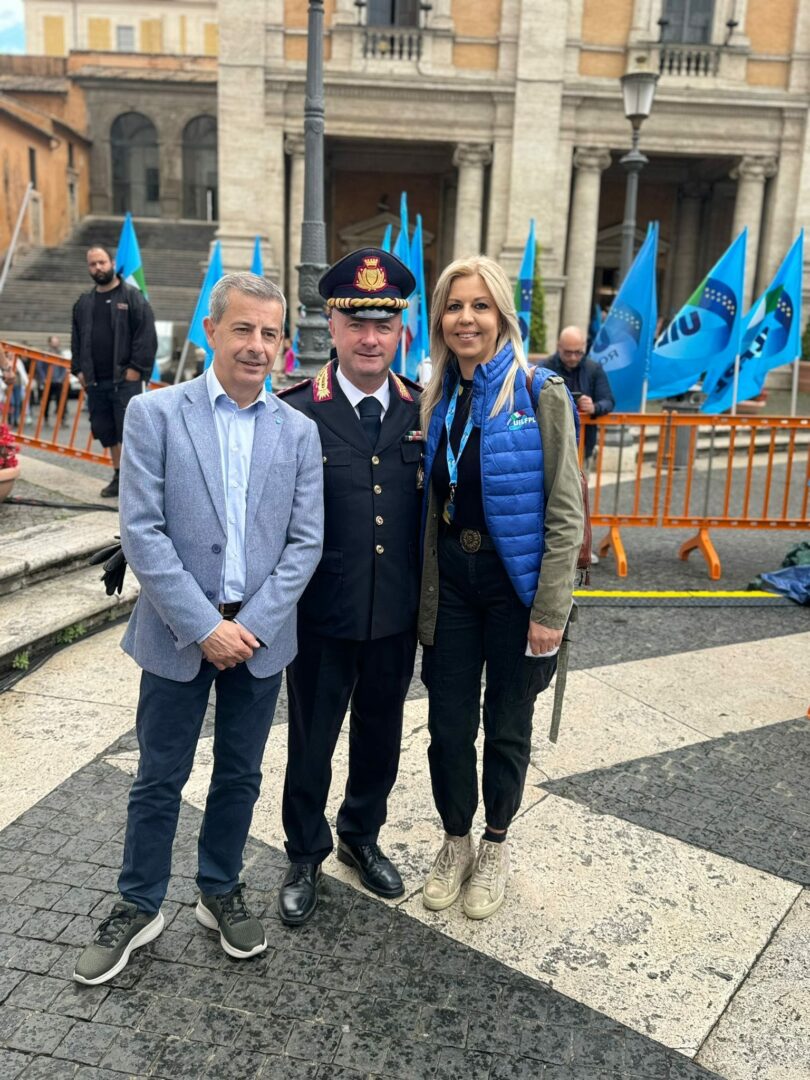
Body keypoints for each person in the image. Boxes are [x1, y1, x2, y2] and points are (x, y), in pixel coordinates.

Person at [72, 273, 323, 985]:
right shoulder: (155, 415)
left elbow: (305, 542)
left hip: (261, 638)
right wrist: (204, 626)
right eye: (243, 329)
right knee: (159, 776)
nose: (257, 346)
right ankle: (138, 903)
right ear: (211, 331)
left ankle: (219, 889)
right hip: (176, 632)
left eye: (270, 333)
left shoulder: (298, 432)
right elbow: (142, 532)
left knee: (239, 774)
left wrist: (253, 625)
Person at [418, 256, 584, 920]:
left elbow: (566, 510)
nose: (467, 318)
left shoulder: (541, 390)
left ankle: (494, 843)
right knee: (447, 725)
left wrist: (551, 609)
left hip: (514, 586)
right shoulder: (436, 396)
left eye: (480, 306)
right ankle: (455, 838)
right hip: (453, 584)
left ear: (502, 317)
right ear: (441, 319)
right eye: (455, 306)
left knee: (508, 725)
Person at [276, 247, 422, 926]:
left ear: (401, 332)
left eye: (383, 325)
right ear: (330, 326)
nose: (370, 338)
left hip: (394, 611)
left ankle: (360, 835)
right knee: (311, 740)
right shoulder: (295, 412)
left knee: (380, 736)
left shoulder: (425, 410)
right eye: (355, 323)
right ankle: (304, 851)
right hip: (319, 614)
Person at [71, 245, 158, 498]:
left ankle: (137, 480)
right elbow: (76, 338)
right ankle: (119, 475)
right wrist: (78, 369)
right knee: (106, 430)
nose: (98, 268)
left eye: (102, 262)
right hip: (95, 381)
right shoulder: (83, 303)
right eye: (93, 264)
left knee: (129, 431)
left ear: (112, 263)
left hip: (126, 380)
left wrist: (136, 369)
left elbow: (146, 335)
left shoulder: (132, 297)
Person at [544, 325, 615, 468]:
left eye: (578, 352)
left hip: (582, 446)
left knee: (581, 482)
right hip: (551, 445)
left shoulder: (593, 369)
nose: (573, 357)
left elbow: (608, 401)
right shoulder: (544, 368)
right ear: (559, 347)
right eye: (568, 353)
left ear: (584, 347)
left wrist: (594, 407)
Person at [38, 334, 69, 425]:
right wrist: (44, 378)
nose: (56, 344)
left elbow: (64, 368)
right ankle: (46, 418)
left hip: (58, 381)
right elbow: (40, 366)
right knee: (46, 401)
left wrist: (61, 378)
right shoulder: (45, 354)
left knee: (61, 401)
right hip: (48, 381)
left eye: (57, 342)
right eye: (54, 342)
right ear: (49, 343)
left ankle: (62, 419)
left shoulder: (61, 354)